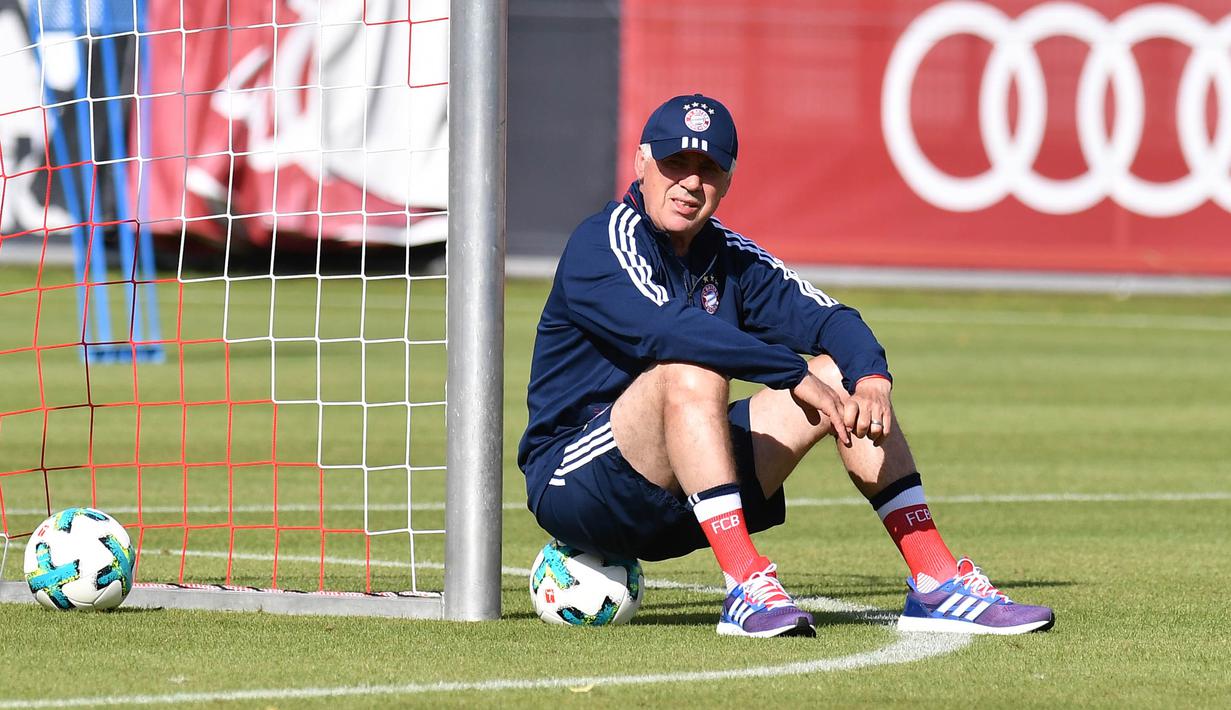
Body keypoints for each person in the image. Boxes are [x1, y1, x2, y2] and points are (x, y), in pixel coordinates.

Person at [517, 93, 1054, 638]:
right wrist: (789, 373)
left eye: (709, 169)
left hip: (683, 498)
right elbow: (668, 330)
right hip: (577, 482)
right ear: (641, 162)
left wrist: (870, 379)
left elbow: (831, 320)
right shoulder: (603, 241)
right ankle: (747, 586)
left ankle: (936, 581)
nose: (689, 182)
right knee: (691, 366)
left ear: (727, 182)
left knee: (838, 374)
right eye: (675, 163)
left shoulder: (729, 256)